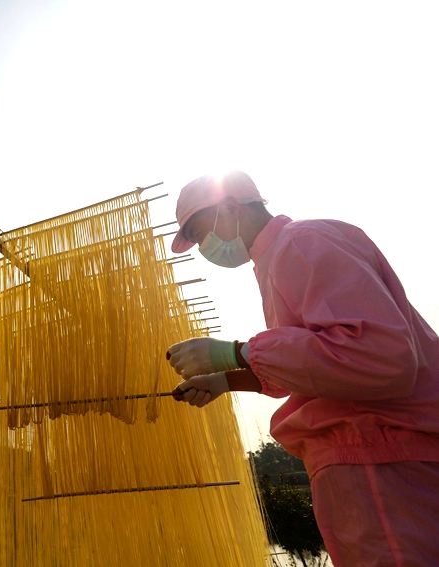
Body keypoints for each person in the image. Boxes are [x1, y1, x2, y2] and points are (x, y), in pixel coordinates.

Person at [165, 171, 439, 567]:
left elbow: (380, 356)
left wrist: (235, 353)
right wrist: (226, 379)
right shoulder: (276, 260)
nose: (200, 246)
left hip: (383, 458)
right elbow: (321, 366)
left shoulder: (302, 243)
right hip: (367, 462)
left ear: (228, 208)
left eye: (197, 230)